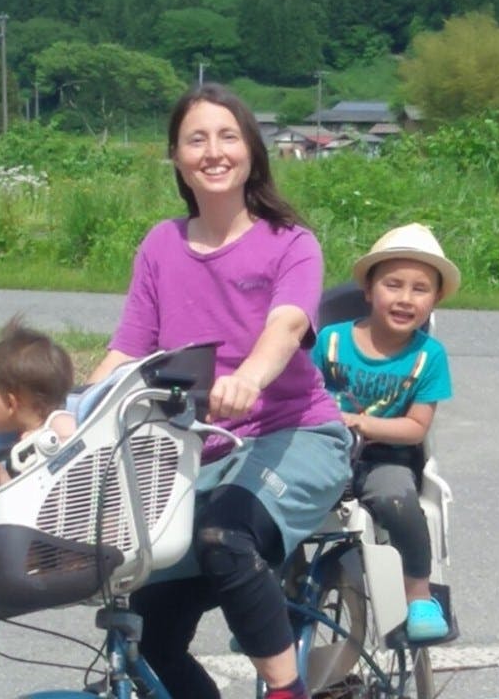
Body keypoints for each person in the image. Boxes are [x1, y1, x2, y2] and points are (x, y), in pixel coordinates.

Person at [88, 83, 352, 699]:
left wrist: (249, 379)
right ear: (177, 158)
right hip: (196, 452)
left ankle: (287, 693)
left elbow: (287, 325)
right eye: (196, 139)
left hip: (295, 434)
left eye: (228, 136)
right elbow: (127, 349)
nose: (213, 151)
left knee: (224, 537)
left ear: (252, 152)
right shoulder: (161, 244)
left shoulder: (290, 242)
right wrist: (69, 415)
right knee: (146, 629)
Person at [312, 222, 459, 641]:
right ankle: (273, 601)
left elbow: (415, 428)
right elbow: (301, 395)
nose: (405, 298)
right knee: (282, 499)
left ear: (435, 300)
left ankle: (419, 596)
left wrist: (361, 423)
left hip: (386, 458)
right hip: (325, 451)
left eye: (420, 289)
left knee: (398, 500)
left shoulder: (429, 356)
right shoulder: (331, 341)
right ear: (368, 290)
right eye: (393, 285)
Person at [0, 316, 76, 488]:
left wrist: (44, 444)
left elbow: (79, 449)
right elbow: (11, 496)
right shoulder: (11, 444)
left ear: (10, 403)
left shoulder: (59, 423)